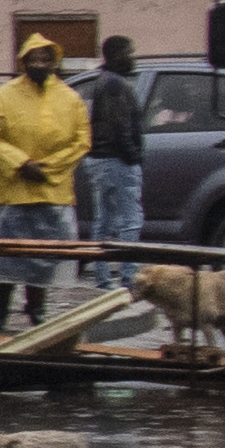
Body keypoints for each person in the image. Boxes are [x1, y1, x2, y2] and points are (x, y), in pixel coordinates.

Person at [0, 35, 92, 328]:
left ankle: (36, 310)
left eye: (45, 59)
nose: (39, 64)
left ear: (54, 62)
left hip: (50, 193)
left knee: (42, 258)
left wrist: (47, 169)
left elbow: (81, 141)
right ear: (23, 62)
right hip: (10, 192)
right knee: (4, 257)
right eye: (33, 59)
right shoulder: (6, 95)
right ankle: (0, 312)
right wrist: (21, 164)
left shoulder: (70, 98)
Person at [75, 33, 151, 296]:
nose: (133, 58)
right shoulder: (117, 85)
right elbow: (121, 126)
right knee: (131, 220)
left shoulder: (103, 82)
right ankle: (129, 279)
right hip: (117, 161)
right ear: (117, 56)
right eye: (130, 52)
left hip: (100, 160)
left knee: (104, 221)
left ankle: (102, 278)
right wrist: (133, 156)